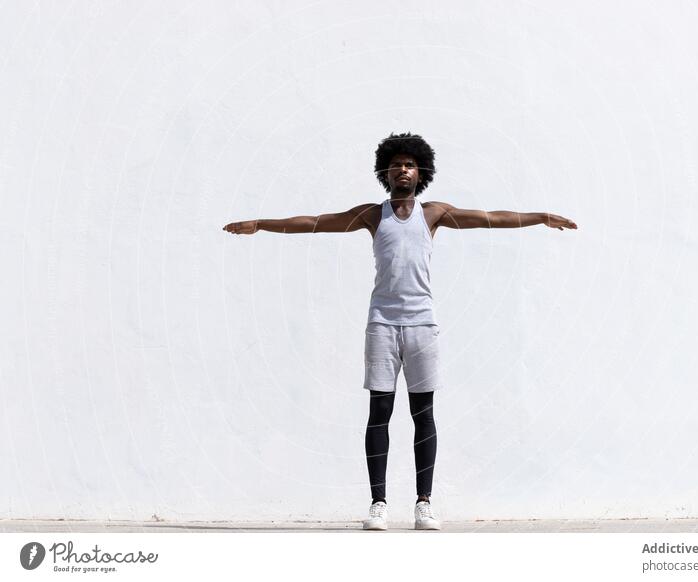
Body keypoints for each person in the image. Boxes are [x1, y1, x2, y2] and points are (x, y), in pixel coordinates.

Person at [223, 132, 577, 531]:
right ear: (385, 172)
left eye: (409, 164)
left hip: (422, 323)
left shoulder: (434, 213)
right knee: (380, 412)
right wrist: (261, 225)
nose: (403, 170)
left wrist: (541, 217)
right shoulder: (373, 215)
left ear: (420, 172)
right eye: (396, 165)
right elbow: (316, 223)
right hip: (382, 323)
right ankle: (378, 503)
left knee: (423, 413)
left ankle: (423, 503)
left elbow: (491, 218)